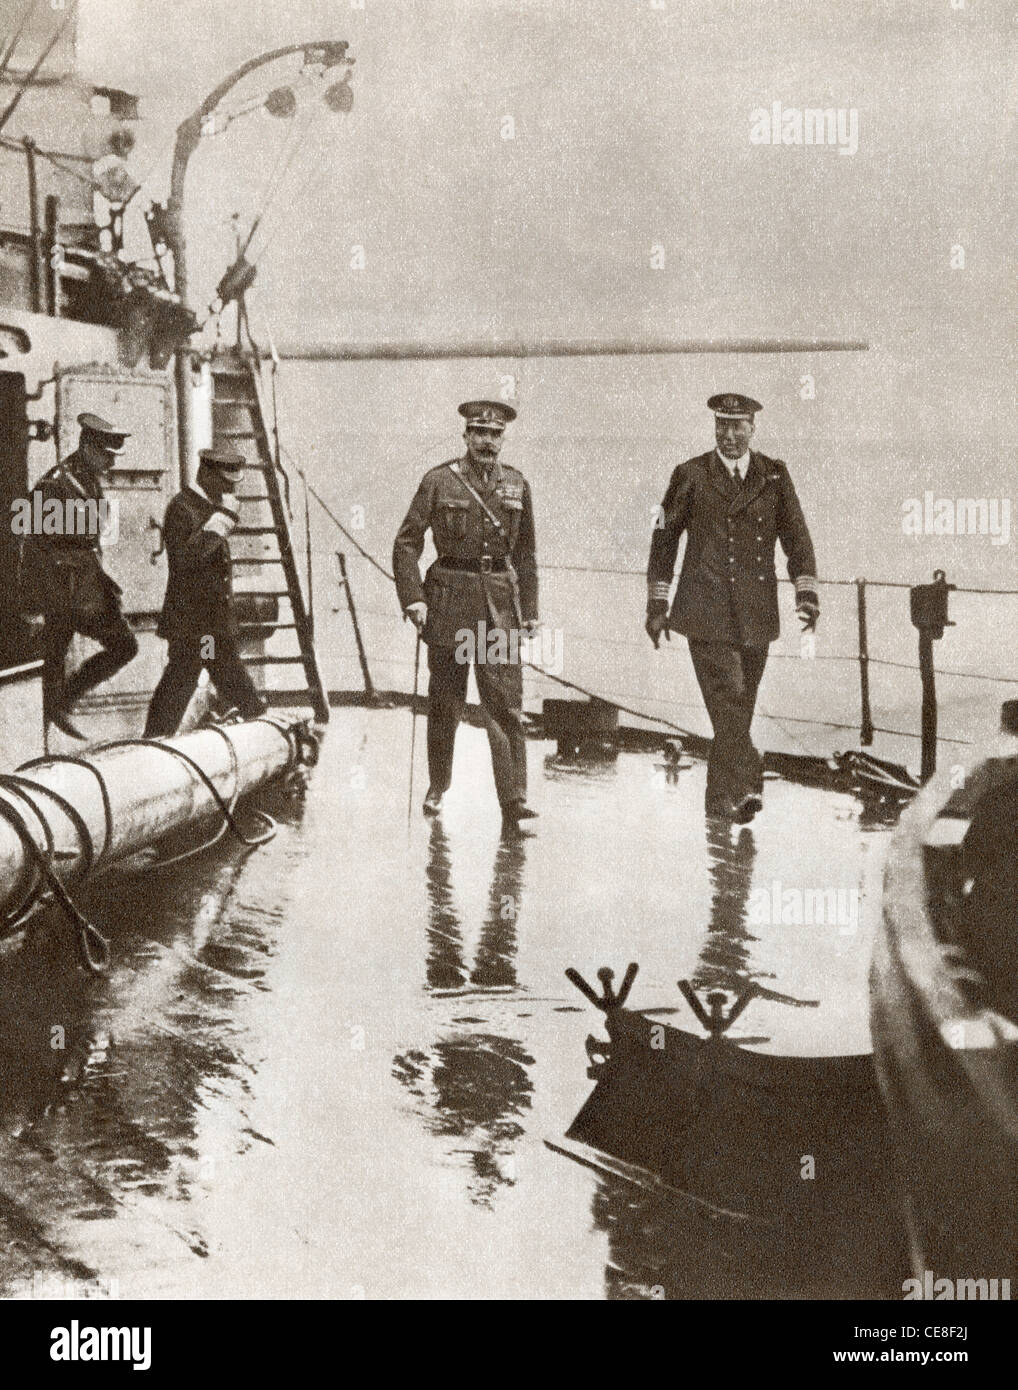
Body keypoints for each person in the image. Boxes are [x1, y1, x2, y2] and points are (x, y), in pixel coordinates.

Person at [645, 393, 819, 822]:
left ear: (753, 428)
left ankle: (720, 805)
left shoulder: (774, 476)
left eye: (738, 425)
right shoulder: (690, 474)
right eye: (722, 425)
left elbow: (796, 537)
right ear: (714, 427)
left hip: (757, 612)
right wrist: (657, 601)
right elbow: (663, 538)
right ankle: (747, 782)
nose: (729, 435)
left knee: (737, 710)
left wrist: (806, 592)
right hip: (705, 611)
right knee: (731, 699)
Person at [393, 399, 539, 825]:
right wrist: (414, 598)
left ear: (503, 439)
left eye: (494, 435)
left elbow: (526, 553)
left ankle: (514, 799)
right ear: (466, 436)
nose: (487, 442)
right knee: (445, 702)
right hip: (450, 604)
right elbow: (407, 542)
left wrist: (529, 609)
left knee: (506, 704)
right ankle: (438, 785)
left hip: (500, 605)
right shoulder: (439, 481)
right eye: (479, 433)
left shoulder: (516, 484)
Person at [20, 412, 138, 739]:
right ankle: (50, 724)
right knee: (51, 666)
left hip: (84, 591)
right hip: (59, 594)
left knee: (124, 646)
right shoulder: (54, 484)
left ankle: (64, 701)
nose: (111, 463)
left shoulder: (87, 480)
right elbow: (31, 548)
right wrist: (34, 607)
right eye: (107, 455)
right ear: (87, 446)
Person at [144, 445, 266, 738]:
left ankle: (152, 742)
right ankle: (151, 745)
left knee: (210, 676)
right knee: (184, 680)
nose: (228, 489)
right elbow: (191, 557)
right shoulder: (181, 508)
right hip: (192, 624)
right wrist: (223, 517)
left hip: (210, 627)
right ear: (206, 474)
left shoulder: (207, 508)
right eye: (224, 482)